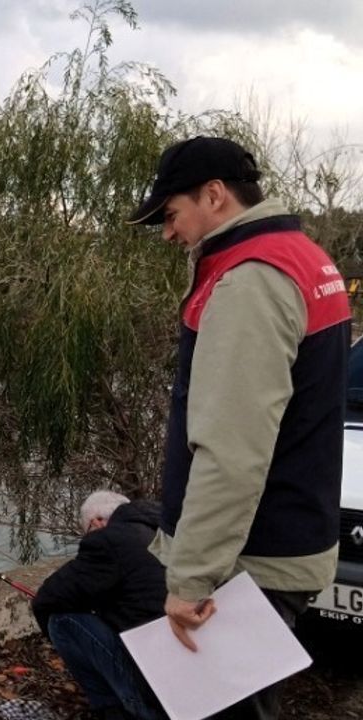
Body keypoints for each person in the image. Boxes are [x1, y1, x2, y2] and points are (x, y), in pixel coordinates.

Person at [128, 136, 352, 718]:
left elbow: (231, 451)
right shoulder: (305, 257)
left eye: (171, 214)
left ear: (214, 195)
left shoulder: (249, 280)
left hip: (251, 561)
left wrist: (191, 579)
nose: (168, 233)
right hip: (289, 537)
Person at [32, 490, 167, 720]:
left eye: (86, 531)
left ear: (96, 522)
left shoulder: (109, 541)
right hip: (197, 681)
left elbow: (48, 598)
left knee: (61, 621)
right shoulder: (166, 529)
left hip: (155, 692)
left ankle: (111, 709)